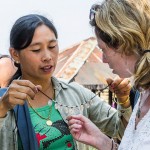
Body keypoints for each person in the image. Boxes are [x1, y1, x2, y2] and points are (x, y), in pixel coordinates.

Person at [0, 14, 131, 150]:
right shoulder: (5, 102)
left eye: (52, 46)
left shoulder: (76, 94)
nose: (47, 57)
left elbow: (121, 130)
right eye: (36, 50)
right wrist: (2, 107)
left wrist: (123, 100)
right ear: (15, 54)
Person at [68, 0, 150, 150]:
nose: (103, 59)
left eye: (103, 49)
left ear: (124, 43)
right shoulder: (142, 94)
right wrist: (102, 141)